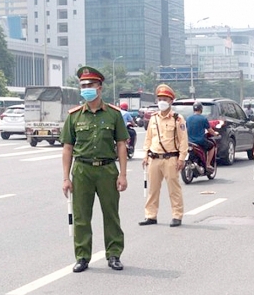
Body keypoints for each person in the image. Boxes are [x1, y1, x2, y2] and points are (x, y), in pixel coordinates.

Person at [60, 66, 130, 273]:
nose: (86, 89)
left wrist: (123, 175)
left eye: (90, 85)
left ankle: (114, 254)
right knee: (81, 216)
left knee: (111, 214)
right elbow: (67, 148)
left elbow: (121, 145)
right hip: (82, 170)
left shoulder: (114, 115)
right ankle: (82, 256)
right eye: (83, 86)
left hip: (107, 169)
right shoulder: (73, 116)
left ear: (100, 88)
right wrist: (65, 177)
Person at [139, 84, 188, 227]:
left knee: (174, 189)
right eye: (160, 98)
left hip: (170, 159)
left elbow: (183, 139)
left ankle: (177, 215)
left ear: (171, 101)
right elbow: (148, 138)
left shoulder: (177, 119)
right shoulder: (153, 118)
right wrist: (145, 155)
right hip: (154, 158)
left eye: (165, 99)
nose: (162, 101)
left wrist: (181, 158)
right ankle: (151, 215)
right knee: (153, 189)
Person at [186, 101, 218, 171]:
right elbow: (210, 130)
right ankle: (208, 164)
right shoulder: (203, 119)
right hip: (200, 141)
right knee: (212, 146)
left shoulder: (188, 119)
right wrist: (215, 134)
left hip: (189, 141)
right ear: (201, 109)